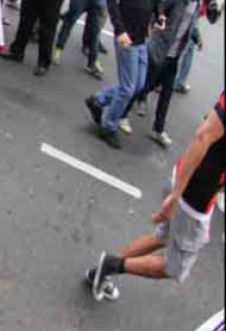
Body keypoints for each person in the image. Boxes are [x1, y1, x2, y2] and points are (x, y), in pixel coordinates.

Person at [85, 91, 224, 302]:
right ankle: (111, 265)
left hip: (191, 182)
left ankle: (100, 271)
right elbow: (204, 135)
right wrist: (176, 196)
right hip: (194, 196)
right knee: (174, 268)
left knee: (162, 237)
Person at [85, 0, 168, 149]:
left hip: (142, 38)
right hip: (126, 36)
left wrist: (160, 15)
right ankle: (108, 125)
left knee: (138, 85)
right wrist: (119, 31)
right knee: (128, 87)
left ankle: (99, 100)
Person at [129, 0, 208, 148]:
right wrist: (156, 23)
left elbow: (191, 22)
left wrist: (196, 37)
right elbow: (160, 6)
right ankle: (118, 110)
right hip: (160, 50)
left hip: (174, 56)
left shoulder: (197, 4)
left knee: (166, 94)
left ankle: (158, 129)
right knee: (144, 85)